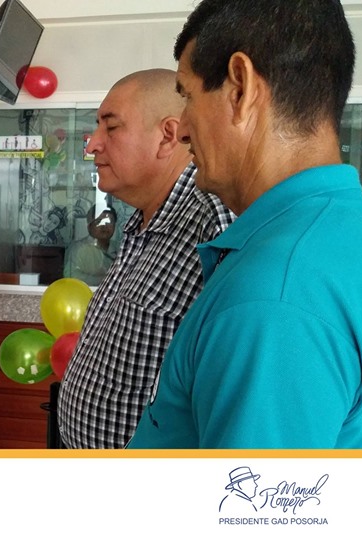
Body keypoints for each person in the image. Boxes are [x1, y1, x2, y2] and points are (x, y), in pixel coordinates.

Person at [128, 0, 362, 448]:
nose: (183, 129)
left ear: (241, 88)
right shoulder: (340, 228)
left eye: (188, 96)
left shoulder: (276, 297)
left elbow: (249, 495)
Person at [57, 69, 235, 449]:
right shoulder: (140, 222)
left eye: (111, 127)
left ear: (168, 135)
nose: (92, 145)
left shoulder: (212, 226)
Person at [65, 205, 117, 286]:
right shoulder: (77, 248)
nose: (104, 226)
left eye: (109, 221)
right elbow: (71, 277)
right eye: (98, 221)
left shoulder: (121, 248)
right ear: (89, 226)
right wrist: (105, 280)